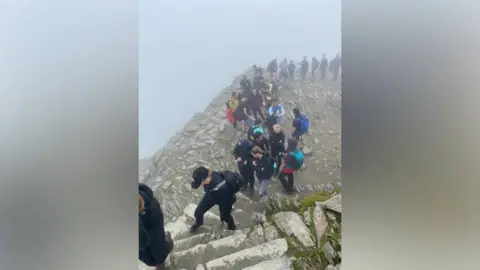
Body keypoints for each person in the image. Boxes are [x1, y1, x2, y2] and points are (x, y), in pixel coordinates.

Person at [189, 167, 244, 232]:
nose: (200, 185)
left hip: (224, 198)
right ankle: (199, 223)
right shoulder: (206, 176)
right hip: (211, 195)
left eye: (200, 182)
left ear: (205, 179)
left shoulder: (223, 187)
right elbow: (197, 184)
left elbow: (228, 199)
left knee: (225, 217)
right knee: (198, 212)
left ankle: (232, 227)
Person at [139, 183, 174, 270]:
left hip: (150, 218)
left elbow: (144, 241)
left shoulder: (152, 211)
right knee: (149, 259)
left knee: (158, 253)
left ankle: (168, 244)